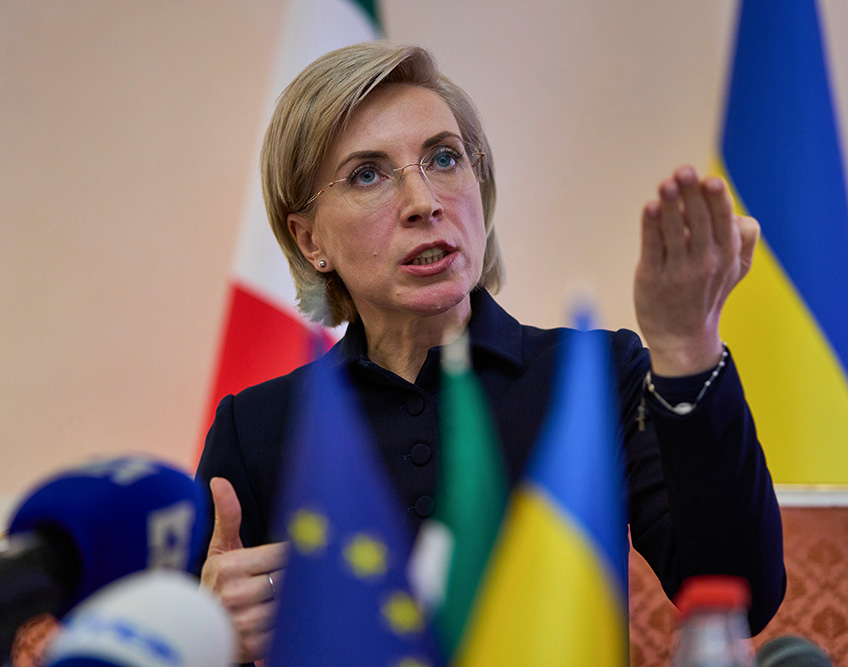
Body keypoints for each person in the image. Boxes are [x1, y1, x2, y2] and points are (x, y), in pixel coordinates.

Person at [196, 41, 785, 663]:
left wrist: (687, 347)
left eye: (444, 158)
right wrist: (209, 632)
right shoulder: (257, 426)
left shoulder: (594, 378)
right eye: (368, 174)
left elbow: (740, 593)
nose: (424, 202)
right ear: (310, 238)